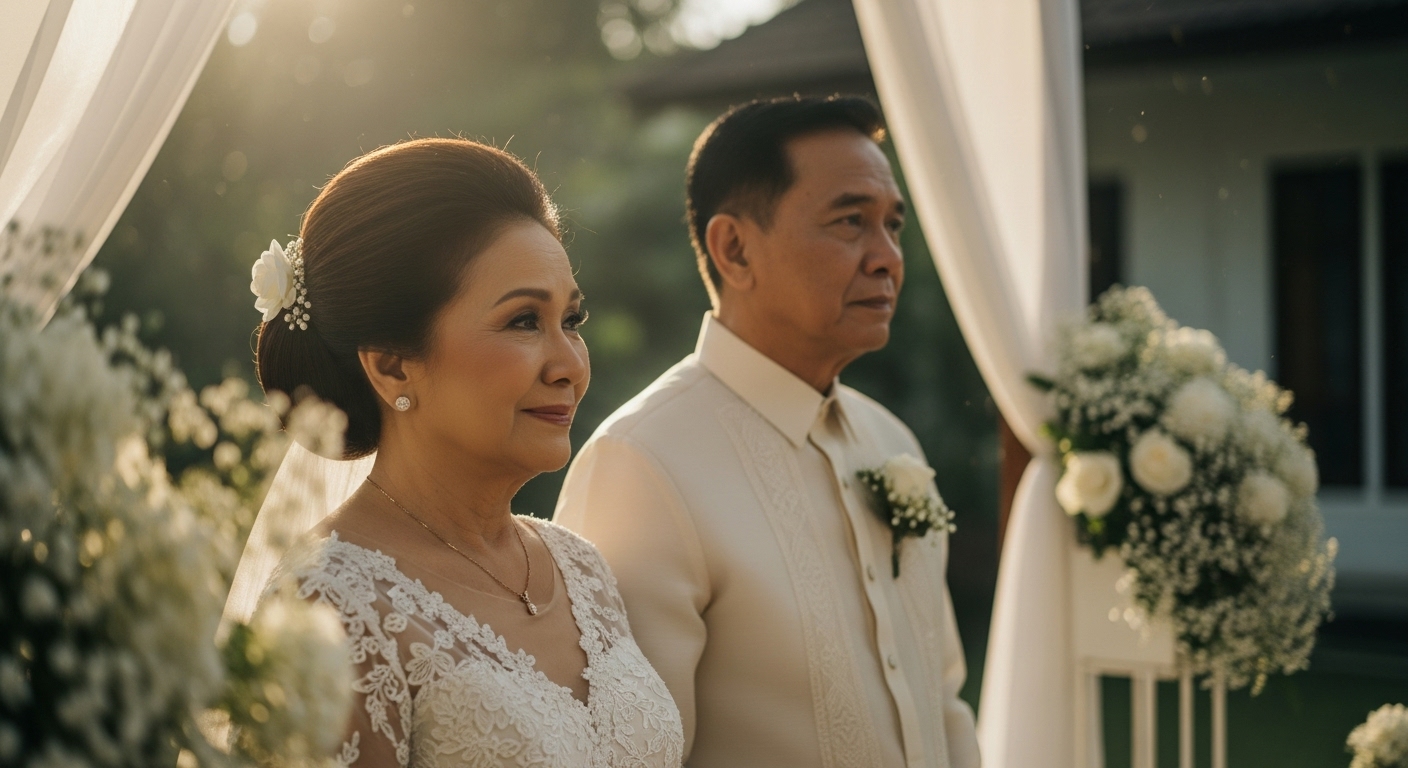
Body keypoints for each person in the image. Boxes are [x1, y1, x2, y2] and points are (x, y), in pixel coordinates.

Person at [554, 96, 981, 768]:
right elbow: (630, 754)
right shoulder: (640, 463)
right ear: (734, 249)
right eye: (850, 221)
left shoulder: (892, 439)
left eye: (893, 225)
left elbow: (944, 698)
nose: (887, 258)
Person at [249, 138, 683, 767]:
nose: (569, 365)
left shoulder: (580, 568)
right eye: (524, 321)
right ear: (393, 367)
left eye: (572, 321)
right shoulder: (328, 606)